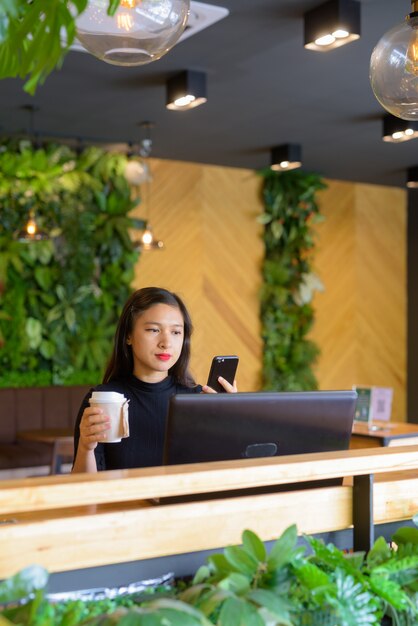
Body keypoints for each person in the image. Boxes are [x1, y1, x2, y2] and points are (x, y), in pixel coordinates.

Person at [72, 287, 237, 473]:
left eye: (176, 332)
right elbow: (86, 493)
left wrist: (230, 423)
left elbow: (219, 475)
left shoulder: (200, 401)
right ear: (128, 335)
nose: (166, 342)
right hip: (124, 502)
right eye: (153, 329)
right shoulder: (102, 400)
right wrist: (86, 448)